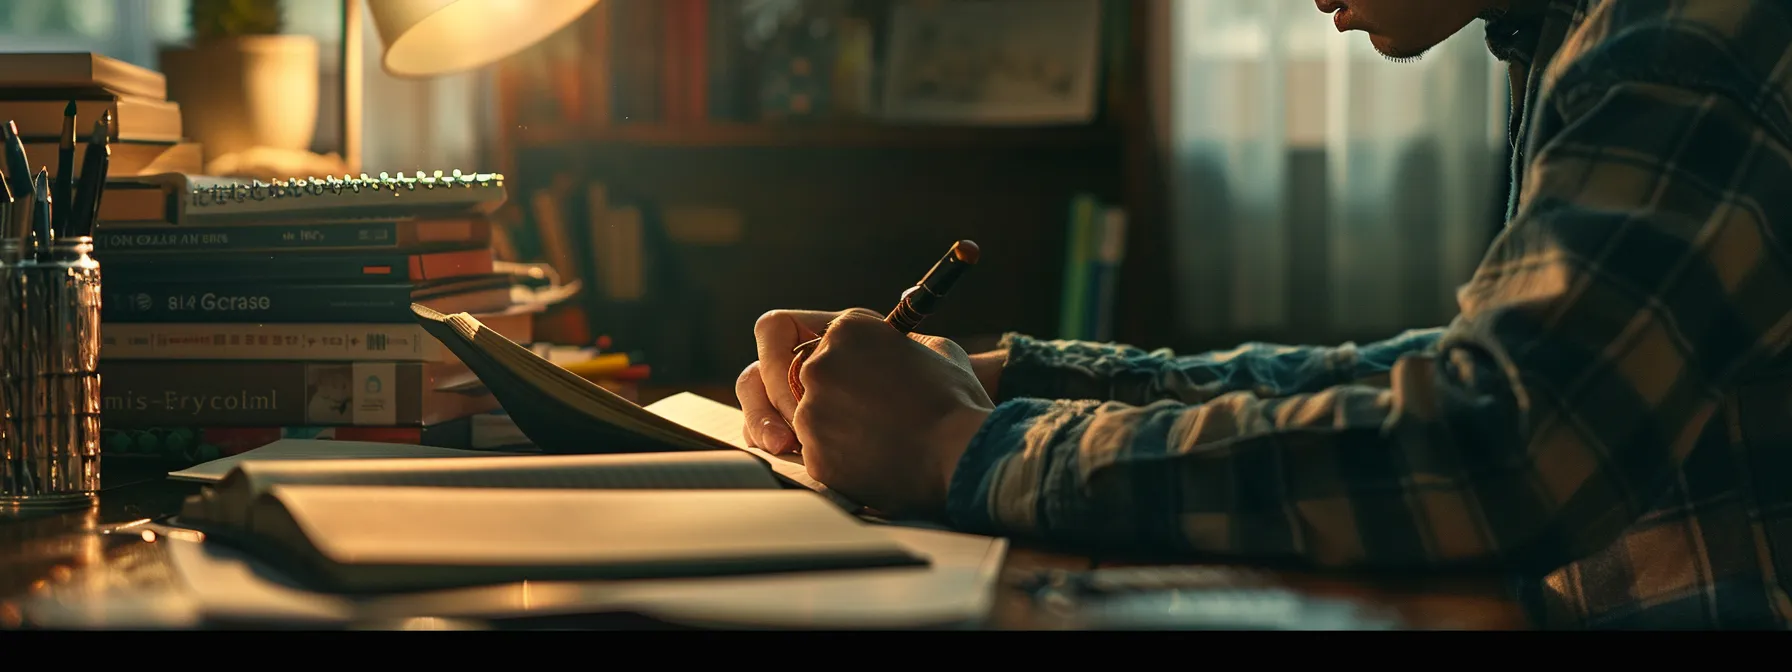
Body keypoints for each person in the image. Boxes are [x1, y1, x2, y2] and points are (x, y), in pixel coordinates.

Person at [735, 0, 1792, 630]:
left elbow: (1506, 441)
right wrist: (1015, 379)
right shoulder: (1576, 30)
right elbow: (1457, 375)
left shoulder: (1680, 40)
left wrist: (958, 446)